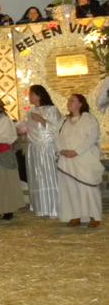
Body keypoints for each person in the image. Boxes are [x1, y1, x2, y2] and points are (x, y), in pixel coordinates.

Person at [56, 94, 103, 227]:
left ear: (80, 104)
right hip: (66, 160)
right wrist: (62, 151)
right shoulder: (63, 120)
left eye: (72, 100)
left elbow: (92, 137)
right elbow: (56, 137)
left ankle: (94, 216)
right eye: (68, 100)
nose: (69, 102)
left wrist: (76, 152)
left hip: (84, 159)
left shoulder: (89, 119)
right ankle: (75, 215)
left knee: (87, 188)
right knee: (70, 188)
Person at [24, 85, 61, 219]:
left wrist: (42, 120)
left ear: (39, 95)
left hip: (47, 147)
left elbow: (58, 129)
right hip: (33, 148)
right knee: (37, 177)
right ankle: (40, 207)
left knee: (49, 176)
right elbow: (27, 127)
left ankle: (53, 207)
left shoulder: (52, 109)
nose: (29, 96)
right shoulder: (30, 111)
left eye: (31, 94)